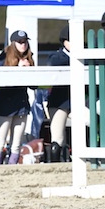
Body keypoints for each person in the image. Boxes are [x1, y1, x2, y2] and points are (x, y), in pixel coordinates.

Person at [0, 30, 35, 164]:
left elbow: (34, 86)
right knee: (0, 143)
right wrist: (17, 68)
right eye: (20, 42)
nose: (23, 45)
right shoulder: (3, 58)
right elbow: (1, 83)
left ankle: (12, 170)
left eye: (25, 42)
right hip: (4, 107)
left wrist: (29, 71)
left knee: (16, 144)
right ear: (13, 43)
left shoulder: (29, 58)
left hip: (21, 106)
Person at [46, 25, 72, 161]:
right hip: (59, 103)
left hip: (77, 101)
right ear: (64, 42)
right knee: (58, 138)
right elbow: (52, 63)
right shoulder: (56, 56)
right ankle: (55, 166)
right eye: (70, 40)